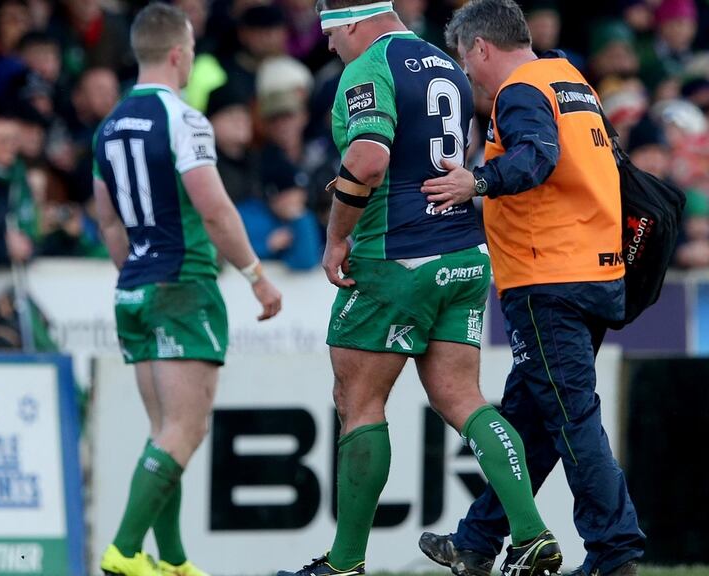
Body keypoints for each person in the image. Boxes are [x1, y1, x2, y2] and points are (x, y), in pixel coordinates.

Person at [277, 2, 560, 575]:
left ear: (352, 23)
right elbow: (465, 146)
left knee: (359, 405)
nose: (330, 47)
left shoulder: (366, 69)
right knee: (464, 399)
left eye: (331, 34)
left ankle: (345, 563)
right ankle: (531, 533)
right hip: (464, 253)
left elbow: (368, 157)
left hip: (395, 255)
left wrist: (336, 239)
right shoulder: (447, 63)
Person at [418, 1, 645, 575]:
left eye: (465, 66)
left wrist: (479, 180)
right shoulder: (569, 79)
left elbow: (535, 157)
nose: (468, 78)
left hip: (549, 282)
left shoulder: (519, 90)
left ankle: (614, 552)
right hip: (594, 272)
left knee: (572, 419)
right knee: (533, 420)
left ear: (479, 49)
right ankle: (476, 542)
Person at [92, 5, 282, 576]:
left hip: (136, 286)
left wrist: (138, 273)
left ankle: (171, 559)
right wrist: (256, 275)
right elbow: (216, 209)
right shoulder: (185, 119)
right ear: (179, 53)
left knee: (163, 431)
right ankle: (124, 549)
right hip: (185, 284)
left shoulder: (108, 125)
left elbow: (107, 223)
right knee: (186, 428)